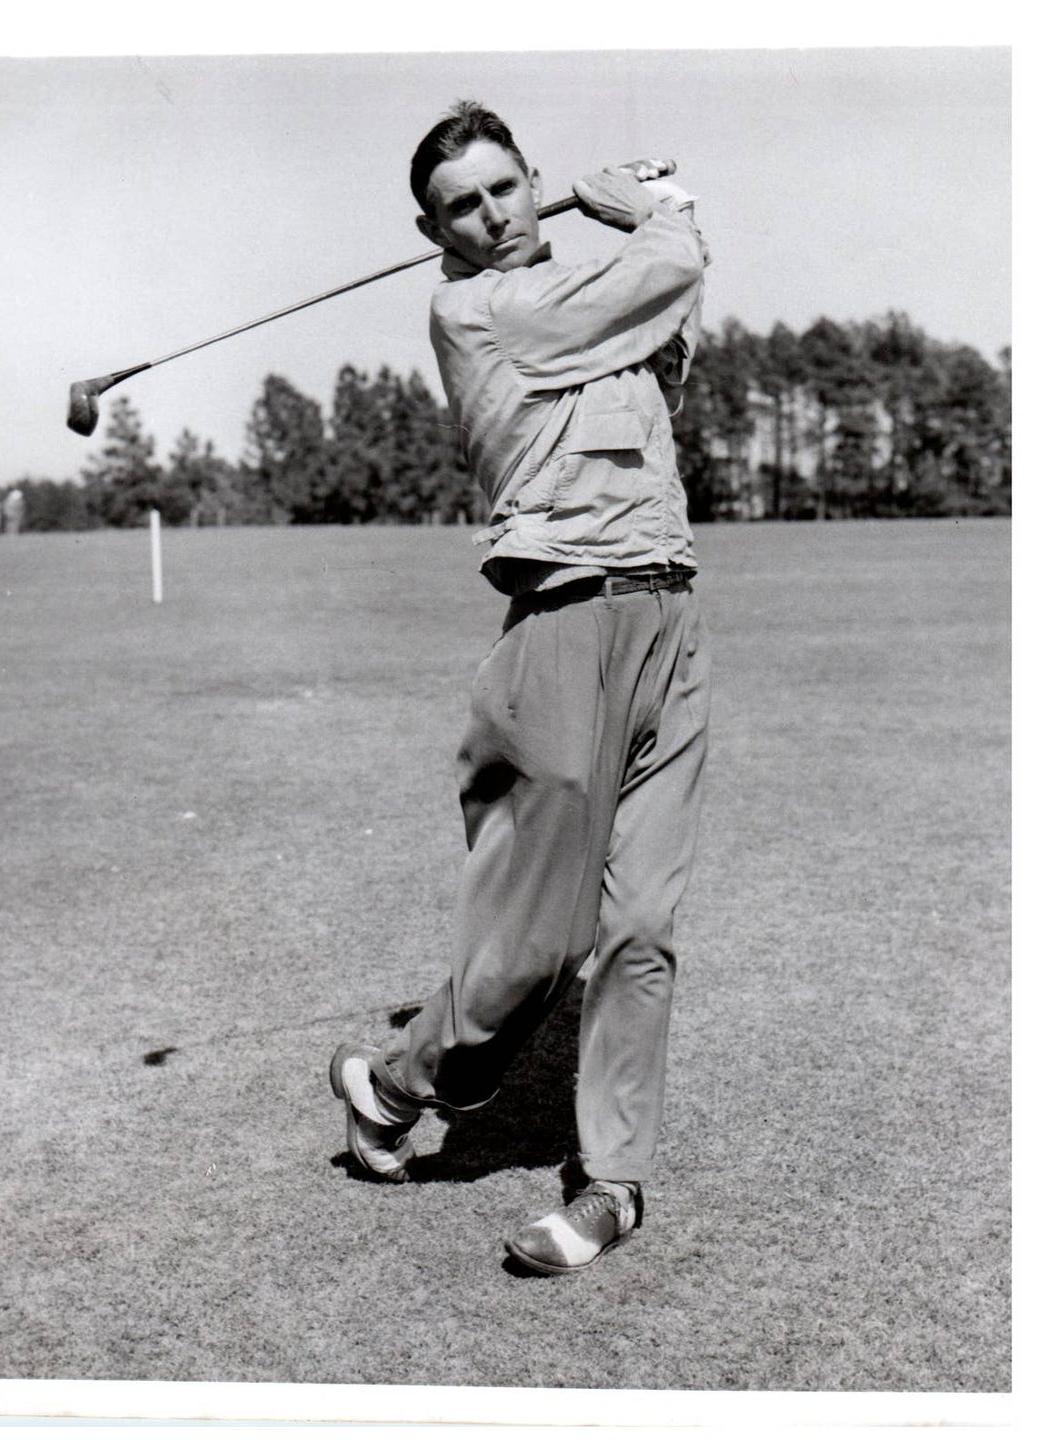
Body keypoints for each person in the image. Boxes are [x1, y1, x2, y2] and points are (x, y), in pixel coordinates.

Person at [330, 101, 713, 1276]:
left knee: (641, 926)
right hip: (559, 625)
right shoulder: (477, 310)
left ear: (530, 180)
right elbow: (655, 278)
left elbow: (662, 336)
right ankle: (396, 1084)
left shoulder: (576, 300)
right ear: (431, 231)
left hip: (668, 616)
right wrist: (653, 213)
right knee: (538, 949)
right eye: (462, 205)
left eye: (505, 188)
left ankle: (612, 1184)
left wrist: (658, 234)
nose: (492, 215)